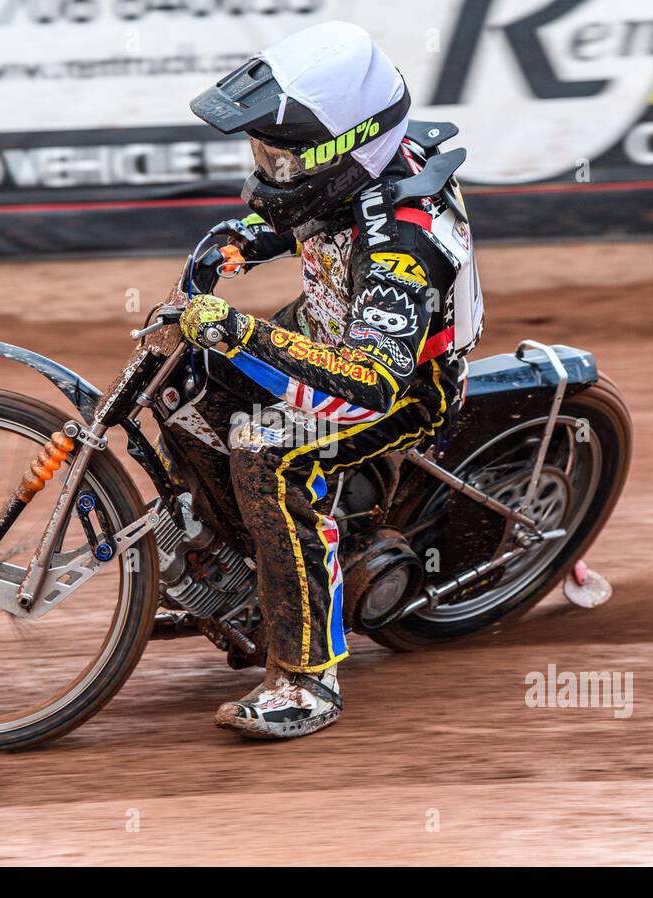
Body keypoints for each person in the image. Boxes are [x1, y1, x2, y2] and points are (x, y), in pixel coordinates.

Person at [173, 20, 482, 739]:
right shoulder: (360, 164)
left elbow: (372, 381)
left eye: (281, 159)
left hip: (404, 382)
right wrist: (250, 239)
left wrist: (245, 330)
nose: (267, 171)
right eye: (264, 154)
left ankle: (307, 680)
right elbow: (315, 208)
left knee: (264, 450)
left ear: (343, 149)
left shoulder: (405, 243)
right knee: (194, 384)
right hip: (332, 324)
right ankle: (242, 563)